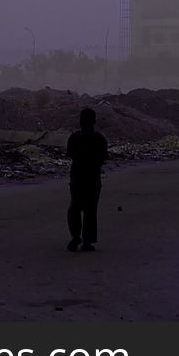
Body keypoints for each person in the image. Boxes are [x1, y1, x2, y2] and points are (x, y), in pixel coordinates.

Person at [66, 108, 108, 252]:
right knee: (87, 210)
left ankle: (79, 238)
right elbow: (102, 158)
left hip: (81, 178)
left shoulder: (76, 138)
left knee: (77, 209)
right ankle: (84, 240)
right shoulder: (99, 139)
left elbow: (71, 154)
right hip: (89, 179)